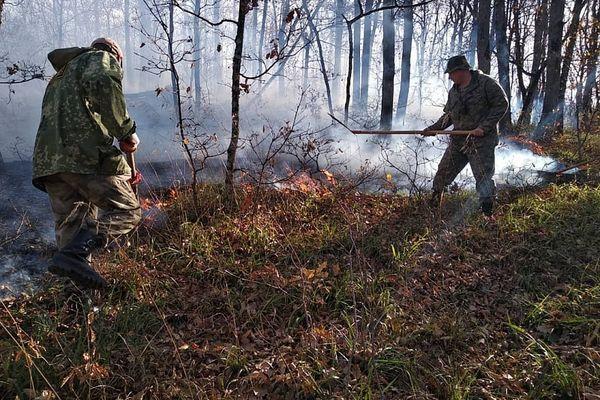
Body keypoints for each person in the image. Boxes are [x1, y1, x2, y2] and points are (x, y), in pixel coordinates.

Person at [32, 38, 141, 288]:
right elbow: (104, 84)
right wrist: (126, 132)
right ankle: (74, 255)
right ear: (116, 56)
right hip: (82, 157)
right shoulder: (100, 58)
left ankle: (75, 305)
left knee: (72, 229)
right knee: (128, 210)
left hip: (51, 164)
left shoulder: (60, 76)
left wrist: (122, 171)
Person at [424, 55, 508, 216]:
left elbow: (501, 105)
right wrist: (433, 129)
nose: (449, 77)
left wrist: (483, 127)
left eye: (451, 73)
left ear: (462, 71)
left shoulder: (486, 83)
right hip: (458, 140)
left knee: (483, 177)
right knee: (443, 172)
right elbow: (449, 115)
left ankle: (487, 214)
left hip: (481, 141)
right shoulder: (454, 92)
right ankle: (433, 208)